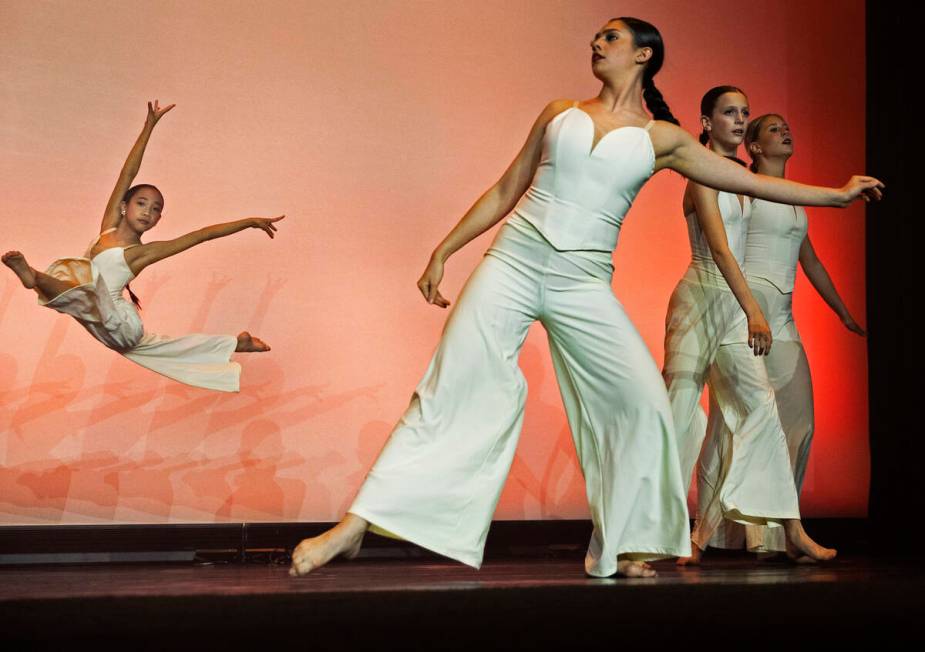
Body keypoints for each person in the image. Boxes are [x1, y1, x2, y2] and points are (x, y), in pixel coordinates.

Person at [289, 17, 882, 579]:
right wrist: (445, 250)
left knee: (644, 403)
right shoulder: (559, 114)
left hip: (582, 283)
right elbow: (505, 188)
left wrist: (836, 195)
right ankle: (355, 525)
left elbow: (751, 180)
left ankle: (624, 543)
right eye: (597, 36)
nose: (597, 43)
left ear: (643, 54)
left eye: (611, 37)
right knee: (453, 385)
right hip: (513, 263)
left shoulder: (664, 139)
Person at [2, 101, 284, 392]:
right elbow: (127, 174)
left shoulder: (140, 254)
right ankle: (236, 343)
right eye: (141, 203)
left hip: (121, 325)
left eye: (156, 209)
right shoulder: (108, 228)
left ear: (159, 219)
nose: (148, 212)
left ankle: (34, 277)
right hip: (100, 320)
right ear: (123, 206)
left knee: (85, 287)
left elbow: (202, 235)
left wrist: (248, 221)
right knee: (90, 293)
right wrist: (148, 127)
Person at [665, 88, 834, 566]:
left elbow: (788, 196)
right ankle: (669, 533)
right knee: (679, 415)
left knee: (761, 413)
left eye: (743, 112)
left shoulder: (742, 176)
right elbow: (720, 250)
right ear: (706, 121)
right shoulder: (700, 171)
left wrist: (838, 195)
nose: (739, 120)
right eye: (729, 113)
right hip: (699, 302)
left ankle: (790, 529)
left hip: (735, 307)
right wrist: (754, 311)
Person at [697, 113, 867, 557]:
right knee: (747, 422)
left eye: (787, 126)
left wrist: (843, 311)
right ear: (752, 147)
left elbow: (809, 260)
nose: (785, 131)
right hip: (752, 310)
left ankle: (774, 529)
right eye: (772, 129)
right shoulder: (747, 191)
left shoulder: (792, 200)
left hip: (784, 315)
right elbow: (724, 244)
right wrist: (743, 309)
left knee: (799, 420)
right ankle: (755, 534)